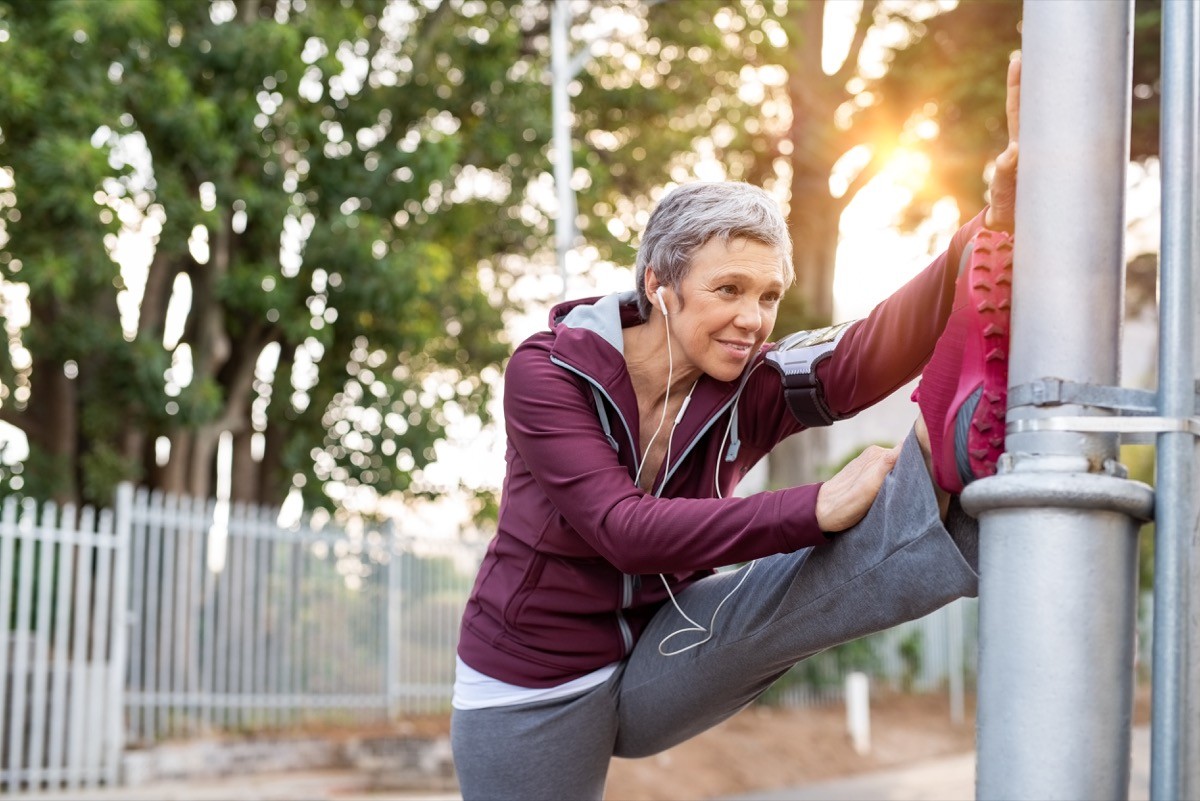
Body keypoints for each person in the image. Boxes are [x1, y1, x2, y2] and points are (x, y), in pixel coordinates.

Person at [451, 57, 1022, 801]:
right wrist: (810, 506)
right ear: (659, 286)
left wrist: (993, 220)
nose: (753, 319)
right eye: (729, 290)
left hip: (667, 644)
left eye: (769, 295)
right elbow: (621, 527)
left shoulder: (751, 380)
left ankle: (945, 477)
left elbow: (861, 353)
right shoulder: (550, 371)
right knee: (807, 527)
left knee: (783, 591)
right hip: (531, 683)